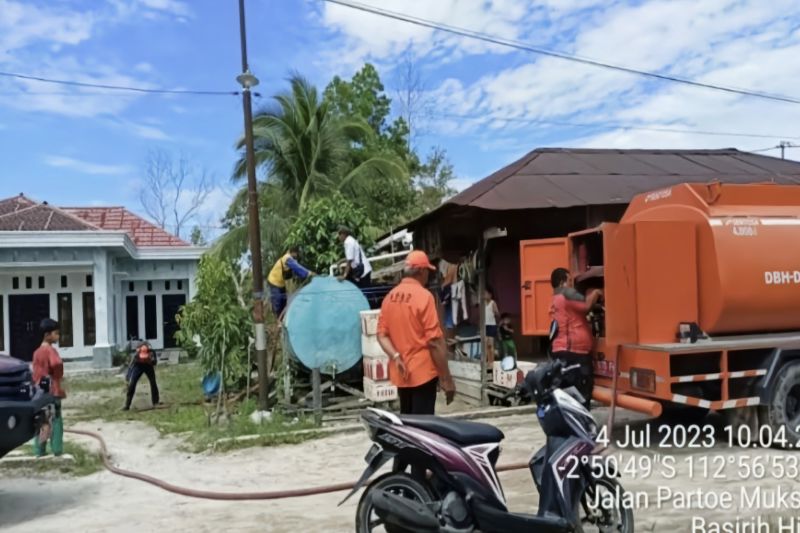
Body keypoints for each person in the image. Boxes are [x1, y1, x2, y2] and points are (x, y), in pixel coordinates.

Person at [377, 250, 456, 415]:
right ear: (421, 271)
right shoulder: (424, 297)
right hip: (423, 374)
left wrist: (396, 356)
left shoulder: (389, 298)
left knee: (408, 425)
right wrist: (446, 379)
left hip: (402, 375)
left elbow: (381, 335)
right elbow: (434, 342)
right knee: (423, 427)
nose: (428, 275)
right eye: (427, 270)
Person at [549, 267, 603, 409]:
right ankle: (581, 425)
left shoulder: (555, 298)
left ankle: (569, 423)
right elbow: (586, 306)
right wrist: (597, 292)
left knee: (567, 392)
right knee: (582, 392)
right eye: (570, 281)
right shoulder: (567, 294)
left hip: (560, 350)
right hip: (575, 352)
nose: (572, 285)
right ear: (562, 283)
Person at [31, 318, 65, 457]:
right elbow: (56, 363)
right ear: (47, 335)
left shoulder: (37, 352)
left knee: (42, 421)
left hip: (40, 391)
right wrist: (57, 375)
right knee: (56, 420)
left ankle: (39, 450)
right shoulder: (50, 350)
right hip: (53, 390)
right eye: (56, 333)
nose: (58, 336)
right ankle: (57, 449)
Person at [267, 246, 314, 320]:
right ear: (293, 252)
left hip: (280, 283)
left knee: (283, 302)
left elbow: (297, 271)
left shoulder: (291, 259)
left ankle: (281, 320)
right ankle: (277, 322)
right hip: (274, 282)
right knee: (278, 303)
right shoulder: (287, 258)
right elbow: (297, 268)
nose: (297, 256)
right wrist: (308, 273)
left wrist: (304, 275)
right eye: (297, 254)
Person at [123, 341, 160, 411]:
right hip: (138, 366)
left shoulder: (152, 353)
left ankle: (155, 402)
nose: (143, 358)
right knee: (132, 384)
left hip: (148, 366)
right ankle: (127, 405)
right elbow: (131, 367)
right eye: (142, 357)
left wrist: (152, 361)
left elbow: (155, 363)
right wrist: (128, 377)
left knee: (153, 383)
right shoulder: (136, 356)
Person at [484, 288, 500, 366]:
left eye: (486, 293)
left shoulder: (493, 303)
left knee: (491, 344)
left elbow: (497, 314)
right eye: (484, 294)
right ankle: (488, 361)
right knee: (486, 344)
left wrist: (495, 312)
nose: (485, 295)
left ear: (490, 295)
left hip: (492, 325)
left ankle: (492, 362)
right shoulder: (483, 303)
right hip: (485, 325)